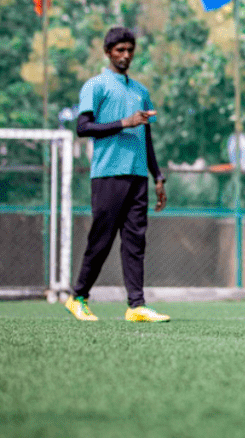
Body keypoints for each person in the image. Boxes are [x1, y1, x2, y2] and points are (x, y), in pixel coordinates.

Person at [65, 27, 170, 323]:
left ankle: (136, 304)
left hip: (138, 177)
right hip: (108, 174)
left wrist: (158, 177)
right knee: (102, 239)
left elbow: (146, 138)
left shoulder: (140, 91)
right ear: (108, 52)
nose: (125, 55)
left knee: (136, 241)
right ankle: (78, 297)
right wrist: (123, 122)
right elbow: (83, 127)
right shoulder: (95, 86)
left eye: (130, 50)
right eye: (119, 50)